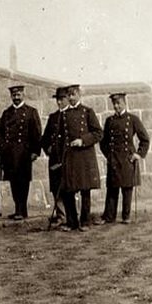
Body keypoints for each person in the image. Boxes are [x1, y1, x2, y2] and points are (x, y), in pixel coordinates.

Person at [98, 93, 150, 225]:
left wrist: (138, 154)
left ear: (124, 103)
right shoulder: (109, 121)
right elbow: (103, 142)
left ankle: (126, 216)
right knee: (112, 189)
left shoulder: (133, 119)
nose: (116, 106)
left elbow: (145, 139)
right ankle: (109, 216)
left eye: (118, 103)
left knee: (127, 188)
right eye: (114, 104)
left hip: (128, 159)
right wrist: (109, 155)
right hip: (114, 159)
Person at [60, 85, 103, 232]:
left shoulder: (87, 112)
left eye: (73, 95)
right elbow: (60, 137)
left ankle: (84, 222)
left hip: (84, 157)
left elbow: (98, 133)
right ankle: (71, 222)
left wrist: (82, 140)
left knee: (85, 190)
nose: (71, 98)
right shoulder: (64, 115)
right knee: (68, 191)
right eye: (69, 95)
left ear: (79, 94)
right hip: (70, 158)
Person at [0, 85, 42, 220]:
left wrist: (35, 151)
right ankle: (18, 209)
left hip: (24, 154)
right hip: (10, 154)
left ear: (23, 95)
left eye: (18, 95)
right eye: (14, 95)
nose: (16, 98)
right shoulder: (7, 113)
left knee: (23, 182)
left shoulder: (30, 112)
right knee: (13, 182)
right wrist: (3, 147)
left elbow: (37, 133)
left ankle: (22, 210)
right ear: (11, 96)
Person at [41, 87, 69, 226]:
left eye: (62, 99)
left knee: (69, 187)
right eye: (57, 100)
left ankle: (71, 215)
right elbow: (44, 138)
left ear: (68, 99)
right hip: (55, 159)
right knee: (56, 187)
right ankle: (61, 215)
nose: (59, 102)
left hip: (69, 159)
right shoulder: (53, 117)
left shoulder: (72, 115)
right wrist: (48, 148)